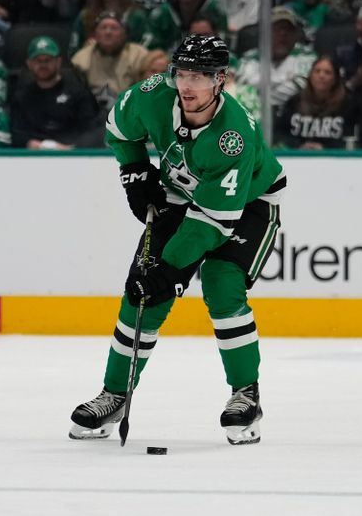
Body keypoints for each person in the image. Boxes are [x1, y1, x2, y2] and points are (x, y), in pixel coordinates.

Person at [69, 34, 285, 445]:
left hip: (249, 202)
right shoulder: (153, 95)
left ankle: (246, 394)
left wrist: (169, 270)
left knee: (222, 284)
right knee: (141, 293)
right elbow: (118, 128)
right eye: (182, 73)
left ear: (221, 80)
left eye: (201, 76)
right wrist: (134, 173)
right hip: (181, 194)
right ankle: (114, 394)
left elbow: (212, 223)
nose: (188, 84)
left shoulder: (232, 136)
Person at [10, 36, 101, 149]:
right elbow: (17, 135)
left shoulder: (79, 94)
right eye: (38, 61)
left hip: (73, 155)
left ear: (58, 62)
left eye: (48, 60)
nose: (43, 65)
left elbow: (92, 131)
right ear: (29, 64)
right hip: (33, 156)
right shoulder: (22, 97)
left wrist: (72, 149)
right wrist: (42, 146)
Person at [236, 6, 316, 112]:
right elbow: (243, 89)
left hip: (292, 114)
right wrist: (285, 78)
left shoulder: (307, 56)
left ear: (295, 34)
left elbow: (300, 89)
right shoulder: (249, 58)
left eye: (287, 29)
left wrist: (259, 93)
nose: (283, 34)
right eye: (277, 29)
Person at [71, 10, 149, 112]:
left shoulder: (139, 55)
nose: (108, 32)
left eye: (114, 28)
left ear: (124, 33)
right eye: (103, 28)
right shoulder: (81, 59)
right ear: (95, 34)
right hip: (94, 115)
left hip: (131, 112)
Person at [274, 54, 357, 149]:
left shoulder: (347, 105)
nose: (321, 76)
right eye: (317, 71)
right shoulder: (294, 102)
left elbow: (351, 138)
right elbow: (280, 134)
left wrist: (326, 147)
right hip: (298, 158)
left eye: (327, 72)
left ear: (335, 78)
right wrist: (299, 146)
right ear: (310, 76)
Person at [143, 0, 228, 53]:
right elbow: (149, 51)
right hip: (167, 67)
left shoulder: (216, 11)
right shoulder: (160, 15)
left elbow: (223, 48)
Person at [68, 0, 148, 55]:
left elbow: (144, 51)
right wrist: (86, 50)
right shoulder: (85, 15)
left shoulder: (135, 16)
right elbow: (73, 52)